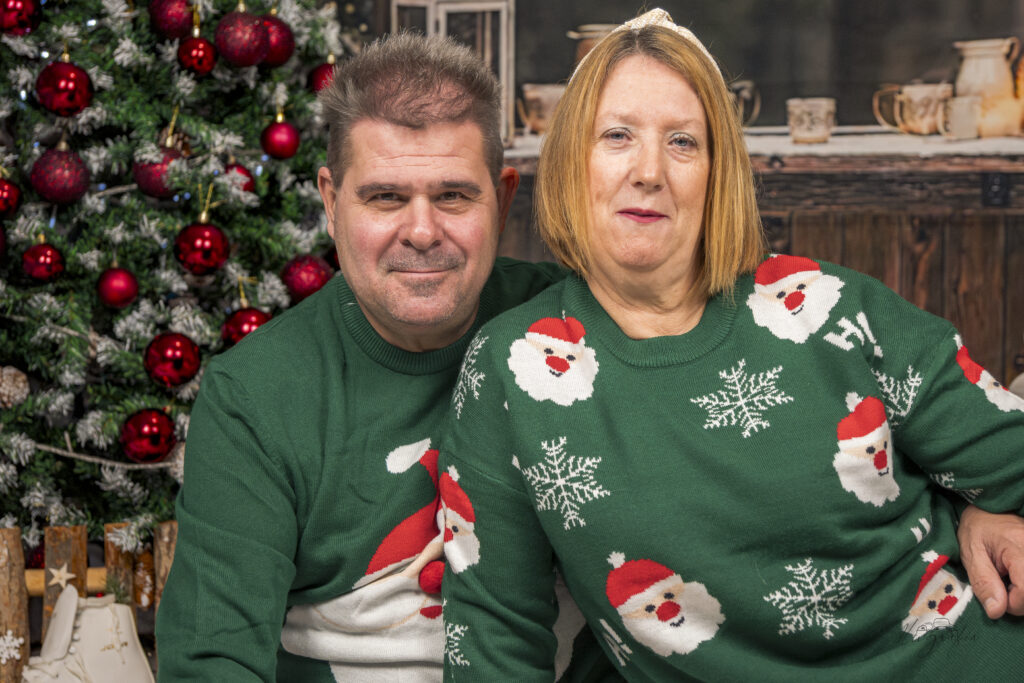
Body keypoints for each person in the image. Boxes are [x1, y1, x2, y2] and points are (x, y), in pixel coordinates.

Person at [437, 9, 1024, 680]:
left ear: (717, 173)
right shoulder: (512, 368)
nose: (649, 170)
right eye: (618, 135)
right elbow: (494, 636)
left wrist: (981, 506)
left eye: (683, 142)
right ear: (572, 160)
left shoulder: (828, 307)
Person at [154, 33, 615, 682]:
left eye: (454, 196)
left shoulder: (581, 331)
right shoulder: (254, 396)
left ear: (504, 197)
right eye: (385, 197)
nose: (422, 232)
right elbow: (212, 661)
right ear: (332, 202)